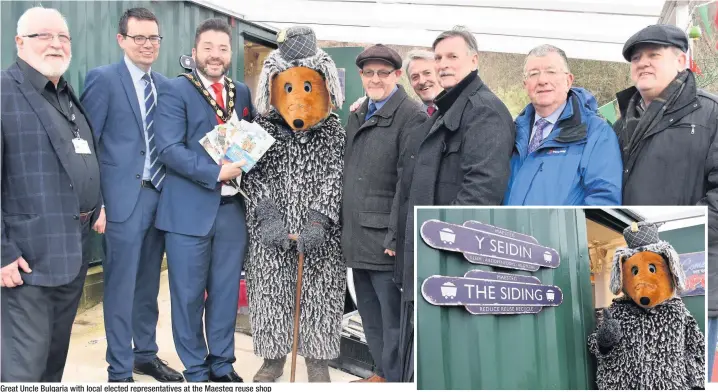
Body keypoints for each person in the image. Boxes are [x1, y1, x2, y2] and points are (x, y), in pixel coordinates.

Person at [394, 26, 515, 382]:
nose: (444, 65)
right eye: (440, 58)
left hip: (448, 261)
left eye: (452, 57)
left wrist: (444, 248)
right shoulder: (446, 108)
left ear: (474, 60)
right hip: (427, 254)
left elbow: (482, 190)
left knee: (447, 360)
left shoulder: (484, 111)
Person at [80, 7, 182, 383]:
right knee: (120, 288)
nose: (147, 44)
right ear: (121, 40)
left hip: (160, 198)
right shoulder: (103, 80)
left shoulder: (166, 86)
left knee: (148, 287)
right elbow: (87, 144)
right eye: (139, 37)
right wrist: (98, 204)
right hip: (122, 202)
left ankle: (145, 356)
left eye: (153, 38)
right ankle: (119, 369)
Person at [1, 6, 102, 382]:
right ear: (19, 43)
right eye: (44, 36)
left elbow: (84, 154)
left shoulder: (63, 92)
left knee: (53, 361)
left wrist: (98, 204)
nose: (56, 44)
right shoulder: (4, 93)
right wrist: (2, 254)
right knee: (22, 366)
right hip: (24, 261)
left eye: (63, 37)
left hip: (71, 252)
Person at [242, 26, 347, 383]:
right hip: (271, 233)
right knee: (271, 292)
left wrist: (320, 219)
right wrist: (266, 214)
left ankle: (316, 359)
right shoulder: (260, 127)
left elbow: (337, 175)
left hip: (319, 236)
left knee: (319, 294)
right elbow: (251, 175)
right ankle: (273, 357)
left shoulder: (333, 130)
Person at [153, 17, 255, 382]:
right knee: (188, 296)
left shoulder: (240, 92)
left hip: (231, 213)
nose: (216, 55)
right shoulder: (175, 90)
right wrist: (215, 172)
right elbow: (167, 148)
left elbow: (252, 136)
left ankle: (222, 365)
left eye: (223, 49)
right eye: (208, 48)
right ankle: (195, 369)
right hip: (187, 213)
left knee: (226, 294)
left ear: (231, 54)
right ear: (194, 51)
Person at [342, 44, 426, 383]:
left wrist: (395, 235)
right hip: (357, 238)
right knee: (370, 318)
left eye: (383, 73)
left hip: (384, 243)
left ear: (397, 75)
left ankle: (394, 379)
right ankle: (381, 373)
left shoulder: (412, 115)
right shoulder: (358, 112)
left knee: (393, 324)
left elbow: (408, 184)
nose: (375, 79)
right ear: (361, 76)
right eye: (369, 73)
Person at [504, 44, 622, 205]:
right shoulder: (512, 131)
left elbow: (604, 199)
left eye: (551, 72)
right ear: (525, 85)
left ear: (568, 80)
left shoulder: (596, 134)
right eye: (533, 74)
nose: (542, 80)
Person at [404, 49, 442, 115]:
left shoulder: (460, 109)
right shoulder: (410, 118)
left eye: (427, 73)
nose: (422, 81)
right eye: (415, 77)